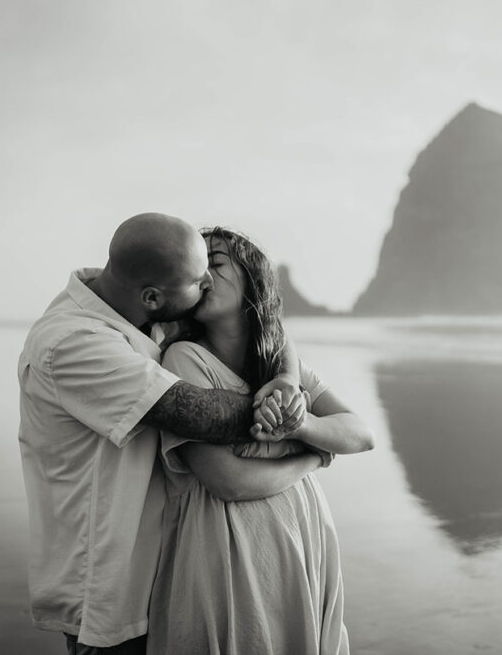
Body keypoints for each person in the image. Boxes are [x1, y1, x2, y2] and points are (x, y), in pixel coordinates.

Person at [18, 213, 305, 654]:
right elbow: (201, 415)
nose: (207, 283)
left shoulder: (138, 304)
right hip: (105, 594)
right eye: (199, 279)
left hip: (161, 570)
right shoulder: (73, 341)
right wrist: (296, 423)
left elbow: (263, 323)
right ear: (153, 297)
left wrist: (285, 379)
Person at [145, 227, 374, 655]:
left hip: (302, 541)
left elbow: (361, 434)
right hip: (227, 552)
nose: (205, 275)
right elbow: (227, 482)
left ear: (253, 279)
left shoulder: (280, 363)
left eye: (216, 263)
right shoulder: (184, 359)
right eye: (197, 269)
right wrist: (314, 458)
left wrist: (300, 428)